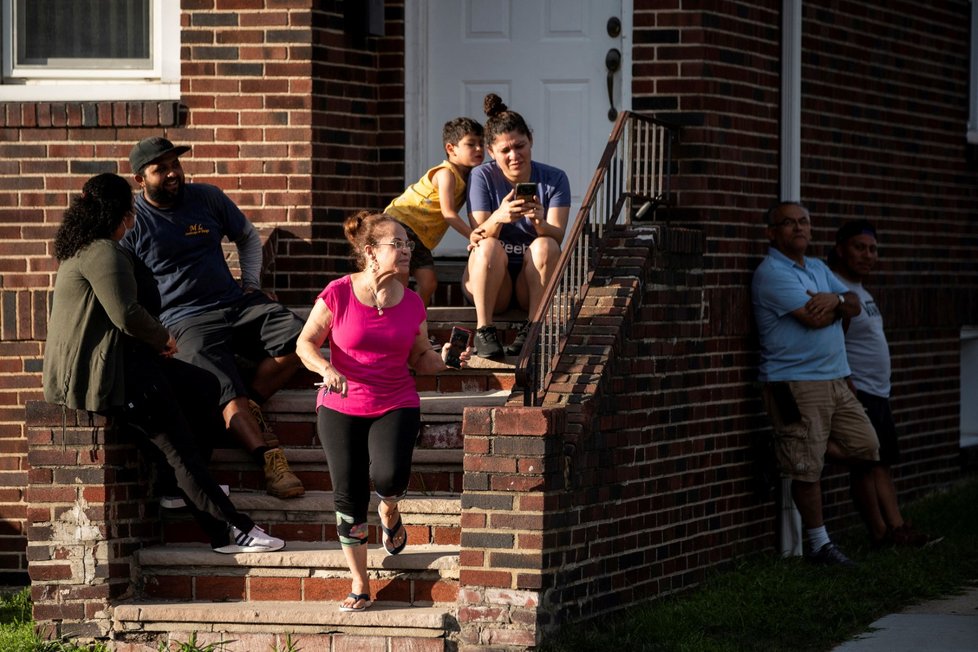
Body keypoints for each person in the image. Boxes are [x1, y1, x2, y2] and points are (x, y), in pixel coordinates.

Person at [42, 173, 284, 554]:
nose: (133, 217)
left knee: (204, 385)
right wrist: (164, 339)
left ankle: (180, 488)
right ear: (122, 214)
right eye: (130, 211)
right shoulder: (104, 251)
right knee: (178, 449)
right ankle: (229, 532)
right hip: (107, 376)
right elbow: (126, 313)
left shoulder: (84, 247)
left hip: (121, 361)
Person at [295, 211, 470, 612]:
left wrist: (445, 359)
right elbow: (305, 344)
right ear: (372, 252)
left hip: (395, 400)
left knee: (388, 477)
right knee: (349, 493)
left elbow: (421, 358)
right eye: (399, 244)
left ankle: (389, 509)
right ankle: (359, 581)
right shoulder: (337, 293)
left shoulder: (411, 303)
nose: (408, 250)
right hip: (340, 403)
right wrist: (326, 368)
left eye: (410, 245)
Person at [123, 136, 305, 499]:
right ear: (140, 180)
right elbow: (123, 284)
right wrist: (151, 332)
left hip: (235, 303)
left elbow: (248, 238)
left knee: (302, 337)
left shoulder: (207, 197)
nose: (173, 173)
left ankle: (244, 403)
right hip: (183, 319)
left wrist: (251, 283)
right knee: (219, 381)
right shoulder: (134, 221)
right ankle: (269, 459)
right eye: (161, 169)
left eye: (175, 164)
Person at [751, 201, 881, 567]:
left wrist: (837, 299)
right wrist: (836, 307)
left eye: (804, 222)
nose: (799, 228)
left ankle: (784, 449)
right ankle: (819, 545)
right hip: (795, 382)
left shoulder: (819, 268)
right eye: (789, 223)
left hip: (836, 380)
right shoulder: (772, 273)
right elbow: (814, 320)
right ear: (772, 232)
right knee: (807, 469)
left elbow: (854, 302)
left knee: (867, 446)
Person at [829, 219, 935, 548]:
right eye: (859, 247)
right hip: (858, 391)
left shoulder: (862, 291)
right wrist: (846, 381)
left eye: (873, 249)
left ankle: (896, 527)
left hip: (878, 392)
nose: (867, 255)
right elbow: (835, 342)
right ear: (841, 250)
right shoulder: (837, 290)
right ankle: (881, 532)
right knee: (866, 462)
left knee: (881, 462)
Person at [463, 93, 571, 359]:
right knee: (488, 245)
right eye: (505, 150)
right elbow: (477, 235)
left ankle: (534, 329)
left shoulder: (554, 178)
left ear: (530, 140)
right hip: (489, 282)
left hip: (530, 283)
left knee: (545, 244)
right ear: (491, 152)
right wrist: (499, 216)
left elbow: (557, 236)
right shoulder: (481, 176)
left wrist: (539, 222)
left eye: (520, 146)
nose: (514, 155)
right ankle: (484, 330)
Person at [384, 117, 485, 305]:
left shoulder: (472, 176)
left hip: (420, 238)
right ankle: (395, 318)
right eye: (471, 144)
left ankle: (414, 318)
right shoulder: (446, 174)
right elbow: (448, 213)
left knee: (428, 283)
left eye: (482, 144)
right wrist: (472, 235)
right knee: (400, 277)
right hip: (399, 224)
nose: (479, 149)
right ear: (451, 148)